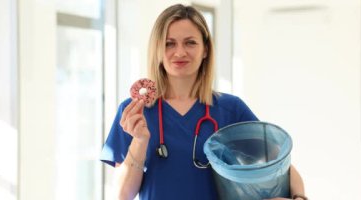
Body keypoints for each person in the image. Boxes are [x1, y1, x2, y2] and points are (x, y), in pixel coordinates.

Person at [100, 4, 307, 200]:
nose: (179, 52)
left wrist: (299, 198)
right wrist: (140, 140)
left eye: (190, 42)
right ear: (157, 50)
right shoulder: (135, 111)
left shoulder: (231, 109)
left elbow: (282, 166)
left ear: (205, 49)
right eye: (169, 43)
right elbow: (122, 195)